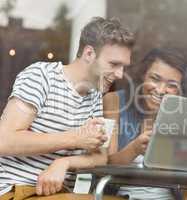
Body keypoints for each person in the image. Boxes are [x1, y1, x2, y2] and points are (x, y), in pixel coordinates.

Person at [0, 17, 134, 200]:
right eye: (114, 64)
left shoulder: (94, 95)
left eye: (123, 67)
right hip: (17, 190)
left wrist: (64, 162)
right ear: (89, 54)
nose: (120, 74)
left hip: (60, 194)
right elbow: (5, 141)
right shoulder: (41, 76)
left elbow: (100, 157)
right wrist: (75, 138)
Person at [104, 48, 187, 200]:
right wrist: (134, 149)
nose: (160, 90)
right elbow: (106, 164)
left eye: (171, 85)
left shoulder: (181, 115)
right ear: (142, 76)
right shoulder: (114, 101)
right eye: (155, 78)